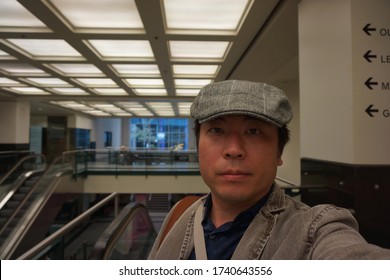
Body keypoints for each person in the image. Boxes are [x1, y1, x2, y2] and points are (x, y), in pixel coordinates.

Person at [148, 80, 390, 260]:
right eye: (217, 131)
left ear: (279, 153)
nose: (234, 149)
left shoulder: (315, 229)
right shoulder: (178, 215)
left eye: (254, 131)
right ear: (198, 147)